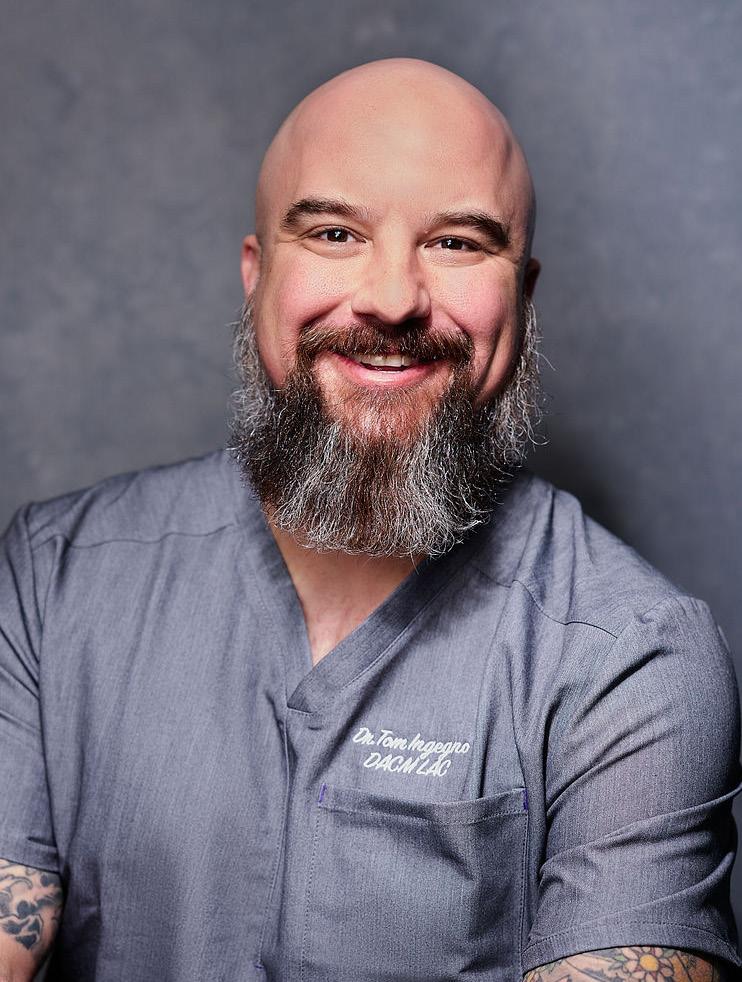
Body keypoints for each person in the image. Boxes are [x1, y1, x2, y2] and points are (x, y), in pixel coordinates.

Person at [0, 58, 739, 982]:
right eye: (335, 233)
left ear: (523, 293)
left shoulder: (632, 658)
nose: (393, 299)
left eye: (457, 243)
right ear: (257, 274)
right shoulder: (54, 580)